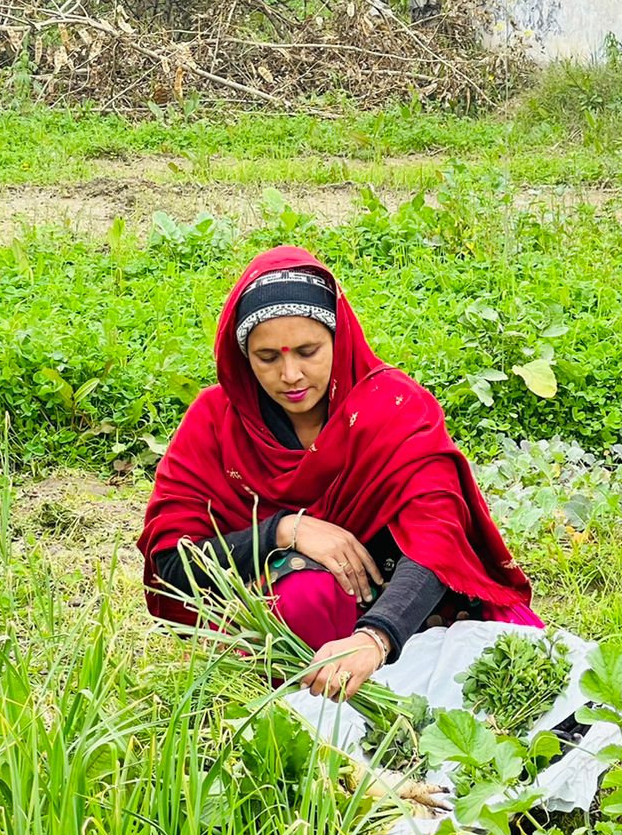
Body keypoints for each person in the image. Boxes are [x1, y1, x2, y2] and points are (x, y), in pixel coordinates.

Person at [137, 246, 540, 703]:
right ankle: (301, 715)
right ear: (243, 355)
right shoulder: (215, 423)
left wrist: (375, 639)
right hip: (288, 627)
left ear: (339, 339)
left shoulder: (395, 409)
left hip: (409, 616)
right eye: (267, 357)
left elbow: (438, 541)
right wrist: (282, 531)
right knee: (307, 592)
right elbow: (172, 562)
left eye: (308, 351)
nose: (290, 375)